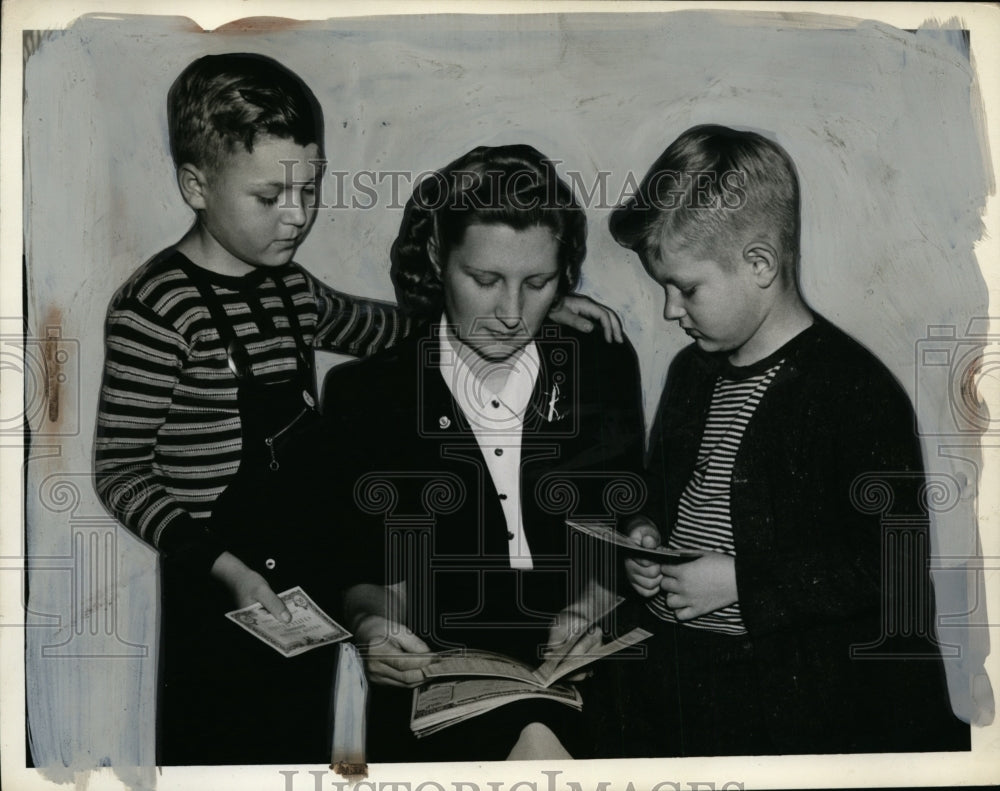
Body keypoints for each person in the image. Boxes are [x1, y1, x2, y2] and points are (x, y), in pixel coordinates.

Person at [92, 53, 621, 765]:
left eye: (309, 192)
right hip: (217, 577)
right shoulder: (157, 308)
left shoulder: (293, 290)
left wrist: (548, 305)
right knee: (216, 751)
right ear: (194, 184)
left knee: (299, 749)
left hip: (296, 577)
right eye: (269, 196)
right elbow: (120, 467)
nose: (297, 216)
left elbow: (400, 328)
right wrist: (219, 563)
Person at [609, 124, 970, 756]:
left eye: (685, 288)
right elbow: (661, 495)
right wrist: (643, 536)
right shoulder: (689, 372)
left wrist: (744, 582)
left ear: (759, 265)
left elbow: (891, 565)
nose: (670, 311)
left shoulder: (852, 388)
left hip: (786, 696)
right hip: (679, 672)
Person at [315, 144, 647, 761]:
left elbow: (610, 525)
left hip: (585, 670)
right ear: (439, 256)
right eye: (486, 280)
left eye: (538, 283)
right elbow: (366, 569)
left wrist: (589, 607)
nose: (512, 313)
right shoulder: (368, 394)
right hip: (437, 679)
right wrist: (375, 630)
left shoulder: (599, 363)